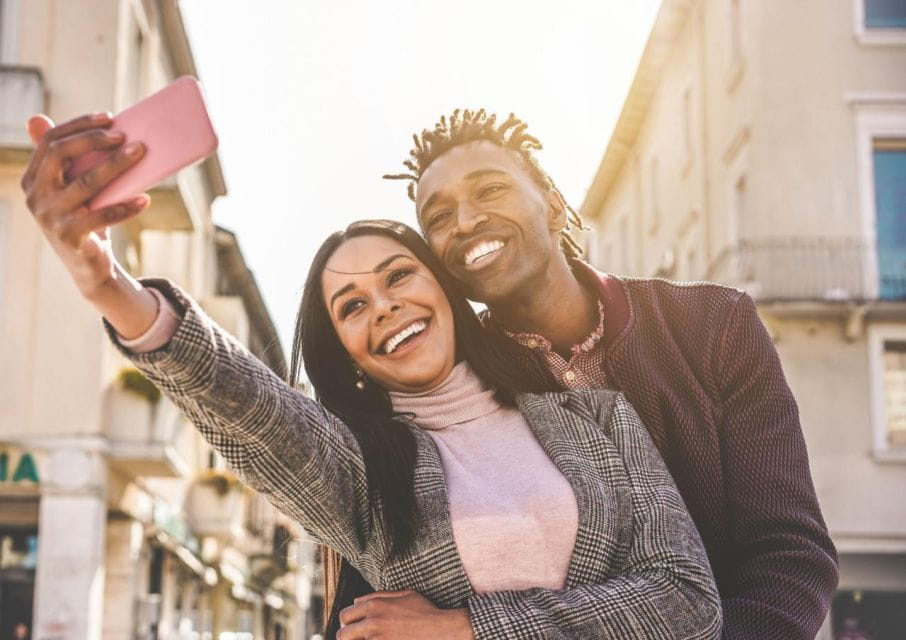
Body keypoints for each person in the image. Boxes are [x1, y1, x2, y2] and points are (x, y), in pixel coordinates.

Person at [21, 114, 722, 639]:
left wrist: (466, 628)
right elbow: (248, 404)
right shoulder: (359, 471)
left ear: (445, 289)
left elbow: (689, 601)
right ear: (348, 353)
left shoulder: (598, 417)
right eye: (352, 306)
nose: (384, 307)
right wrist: (108, 285)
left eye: (399, 277)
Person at [378, 109, 840, 639]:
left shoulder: (714, 324)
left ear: (554, 206)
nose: (464, 222)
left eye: (490, 189)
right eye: (439, 217)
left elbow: (788, 551)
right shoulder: (450, 386)